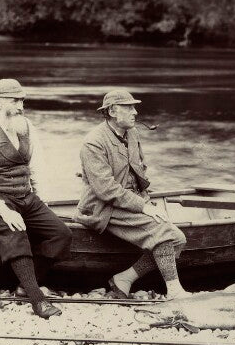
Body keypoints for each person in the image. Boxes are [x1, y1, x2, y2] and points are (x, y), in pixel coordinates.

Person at [0, 78, 72, 319]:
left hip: (26, 196)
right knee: (16, 235)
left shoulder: (27, 127)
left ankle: (26, 285)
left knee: (62, 235)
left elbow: (37, 168)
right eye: (15, 100)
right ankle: (38, 302)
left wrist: (42, 202)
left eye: (22, 100)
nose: (21, 105)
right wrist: (4, 211)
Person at [75, 89, 189, 300]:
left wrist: (146, 199)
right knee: (165, 234)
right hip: (102, 208)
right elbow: (105, 189)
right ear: (112, 111)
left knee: (179, 239)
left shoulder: (132, 133)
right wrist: (143, 207)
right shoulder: (93, 142)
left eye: (134, 107)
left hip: (129, 201)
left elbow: (139, 169)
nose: (135, 112)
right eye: (129, 108)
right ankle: (175, 292)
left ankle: (124, 278)